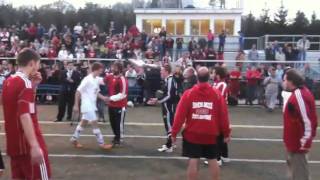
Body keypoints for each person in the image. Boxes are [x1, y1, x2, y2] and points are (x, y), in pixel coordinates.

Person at [171, 67, 231, 180]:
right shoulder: (216, 94)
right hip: (211, 134)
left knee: (193, 160)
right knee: (213, 159)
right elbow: (224, 116)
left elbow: (179, 116)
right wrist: (226, 133)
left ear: (197, 78)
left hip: (192, 134)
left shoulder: (188, 94)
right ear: (209, 78)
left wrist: (174, 133)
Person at [2, 48, 51, 179]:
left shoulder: (8, 81)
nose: (39, 67)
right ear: (32, 63)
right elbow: (25, 115)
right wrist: (35, 146)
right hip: (28, 144)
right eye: (38, 63)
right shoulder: (24, 83)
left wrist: (33, 86)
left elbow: (19, 107)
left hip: (14, 145)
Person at [282, 69, 318, 180]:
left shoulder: (299, 96)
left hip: (298, 146)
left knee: (300, 175)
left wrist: (304, 143)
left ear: (291, 81)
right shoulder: (300, 93)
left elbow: (308, 121)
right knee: (295, 172)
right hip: (294, 144)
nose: (283, 82)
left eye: (284, 80)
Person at [70, 62, 113, 150]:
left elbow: (96, 91)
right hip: (87, 104)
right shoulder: (87, 79)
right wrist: (75, 105)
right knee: (94, 122)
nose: (101, 72)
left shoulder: (96, 79)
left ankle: (74, 139)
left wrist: (103, 98)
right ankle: (101, 143)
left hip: (92, 104)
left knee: (83, 122)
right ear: (96, 70)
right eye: (100, 70)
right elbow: (78, 91)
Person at [148, 64, 180, 152]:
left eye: (162, 70)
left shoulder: (170, 80)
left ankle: (169, 146)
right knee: (170, 125)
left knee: (169, 125)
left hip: (169, 106)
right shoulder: (168, 80)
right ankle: (172, 143)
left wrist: (158, 101)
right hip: (169, 105)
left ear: (166, 71)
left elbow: (169, 95)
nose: (160, 72)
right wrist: (157, 99)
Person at [104, 61, 128, 146]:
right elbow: (102, 81)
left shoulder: (122, 79)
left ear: (119, 69)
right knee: (112, 122)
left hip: (120, 105)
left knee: (119, 123)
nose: (112, 68)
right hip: (111, 104)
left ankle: (119, 138)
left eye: (115, 67)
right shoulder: (110, 76)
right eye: (112, 67)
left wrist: (110, 98)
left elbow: (123, 94)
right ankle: (116, 136)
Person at [210, 66, 230, 166]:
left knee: (217, 135)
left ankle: (217, 158)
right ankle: (224, 155)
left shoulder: (222, 84)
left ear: (217, 75)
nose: (211, 74)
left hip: (219, 112)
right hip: (217, 111)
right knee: (221, 134)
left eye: (213, 73)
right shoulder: (216, 84)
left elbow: (219, 99)